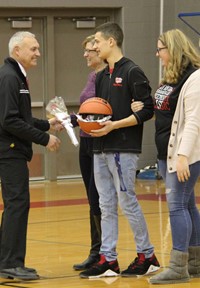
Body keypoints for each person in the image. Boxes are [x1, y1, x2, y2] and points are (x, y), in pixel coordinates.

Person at [79, 22, 160, 279]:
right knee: (105, 204)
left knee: (127, 201)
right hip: (99, 147)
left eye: (98, 43)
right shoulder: (102, 76)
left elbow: (148, 109)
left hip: (123, 147)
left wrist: (116, 124)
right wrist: (81, 120)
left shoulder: (133, 71)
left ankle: (147, 256)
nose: (94, 47)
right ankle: (109, 260)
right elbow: (100, 109)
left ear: (111, 42)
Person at [0, 31, 62, 281]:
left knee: (16, 204)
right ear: (17, 51)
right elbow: (9, 120)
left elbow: (21, 118)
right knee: (17, 204)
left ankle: (6, 261)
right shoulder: (9, 77)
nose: (38, 53)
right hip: (9, 152)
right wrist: (45, 139)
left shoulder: (15, 76)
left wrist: (47, 124)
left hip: (12, 150)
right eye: (33, 49)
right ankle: (11, 263)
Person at [146, 29, 200, 284]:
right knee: (188, 205)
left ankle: (179, 267)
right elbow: (166, 111)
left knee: (177, 205)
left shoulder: (195, 78)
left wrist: (181, 156)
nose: (157, 55)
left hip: (182, 155)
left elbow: (193, 123)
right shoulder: (171, 76)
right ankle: (195, 262)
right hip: (165, 152)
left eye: (160, 49)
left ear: (174, 49)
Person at [72, 35, 107, 271]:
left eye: (89, 51)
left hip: (99, 144)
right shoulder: (91, 76)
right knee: (90, 198)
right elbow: (88, 111)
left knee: (99, 198)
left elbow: (106, 112)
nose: (85, 55)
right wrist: (72, 119)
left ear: (100, 51)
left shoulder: (109, 76)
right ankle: (95, 251)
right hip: (85, 143)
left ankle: (105, 253)